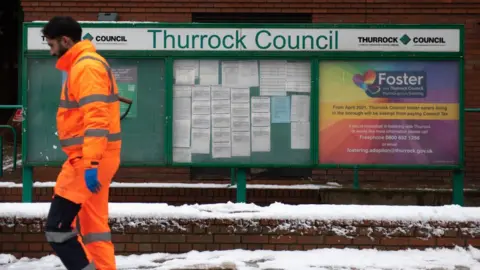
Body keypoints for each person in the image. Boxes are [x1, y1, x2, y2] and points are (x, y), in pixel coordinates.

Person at [42, 16, 121, 270]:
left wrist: (91, 163)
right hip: (92, 160)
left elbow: (96, 119)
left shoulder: (85, 67)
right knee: (95, 231)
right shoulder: (84, 64)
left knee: (57, 228)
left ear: (66, 40)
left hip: (87, 162)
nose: (51, 50)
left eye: (52, 44)